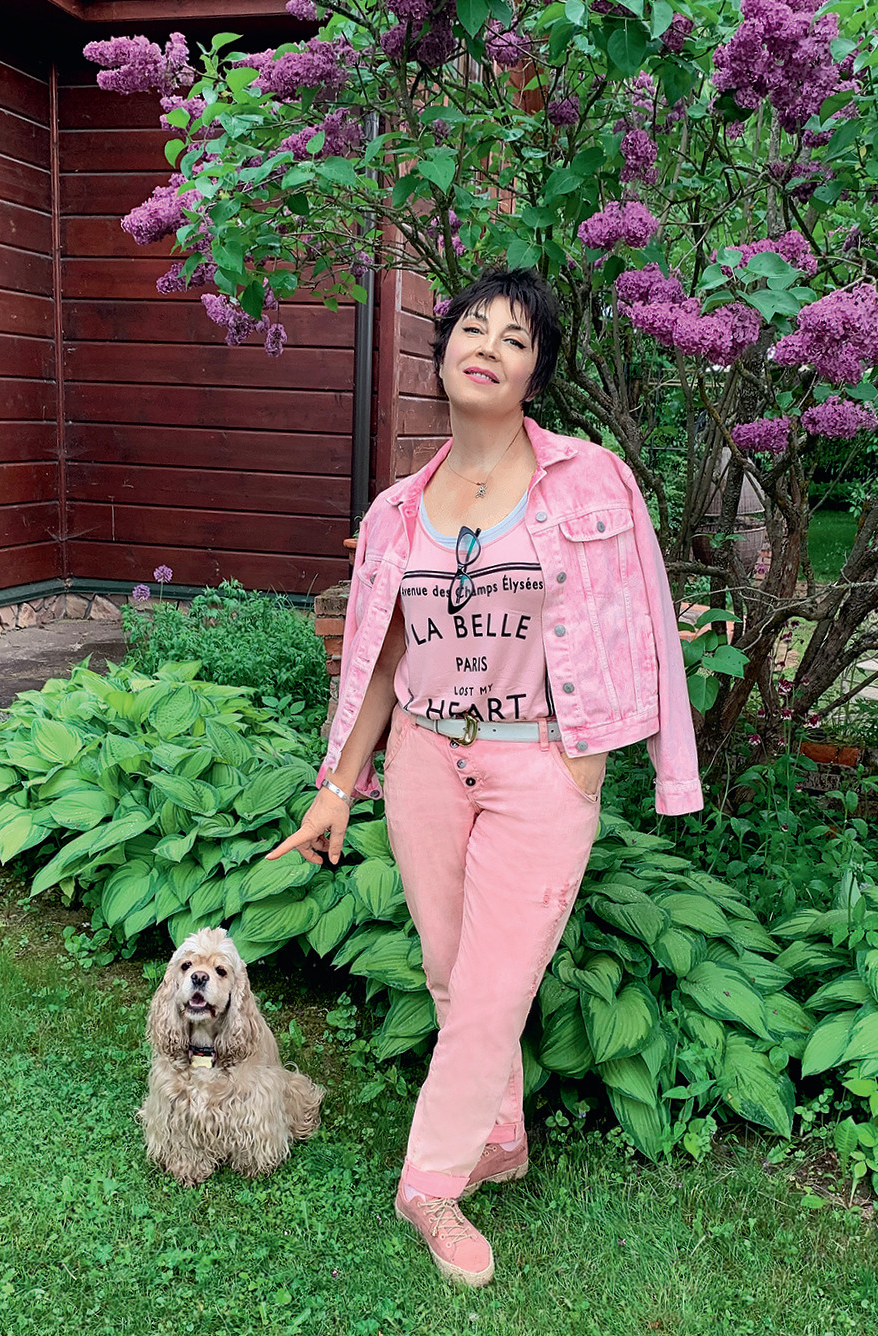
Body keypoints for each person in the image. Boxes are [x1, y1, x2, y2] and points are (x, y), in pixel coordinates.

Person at [267, 268, 703, 1287]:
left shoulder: (592, 481)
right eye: (474, 327)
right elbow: (378, 658)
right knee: (453, 974)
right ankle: (498, 1136)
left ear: (533, 375)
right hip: (425, 757)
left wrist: (633, 763)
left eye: (515, 338)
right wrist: (337, 785)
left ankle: (428, 1183)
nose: (489, 347)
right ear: (444, 351)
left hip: (540, 761)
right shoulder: (396, 512)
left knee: (494, 986)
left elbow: (646, 616)